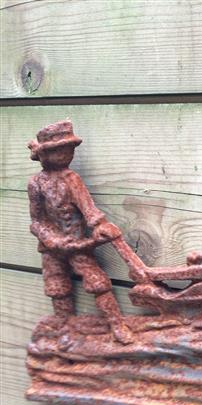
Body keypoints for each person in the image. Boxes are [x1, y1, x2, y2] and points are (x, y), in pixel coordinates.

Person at [27, 120, 133, 344]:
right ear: (45, 154)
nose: (67, 154)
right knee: (57, 287)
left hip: (78, 244)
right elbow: (36, 221)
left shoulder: (71, 179)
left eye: (70, 150)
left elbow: (89, 210)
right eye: (60, 151)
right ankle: (65, 330)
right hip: (51, 249)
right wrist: (52, 240)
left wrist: (100, 226)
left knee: (98, 283)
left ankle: (117, 325)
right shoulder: (36, 183)